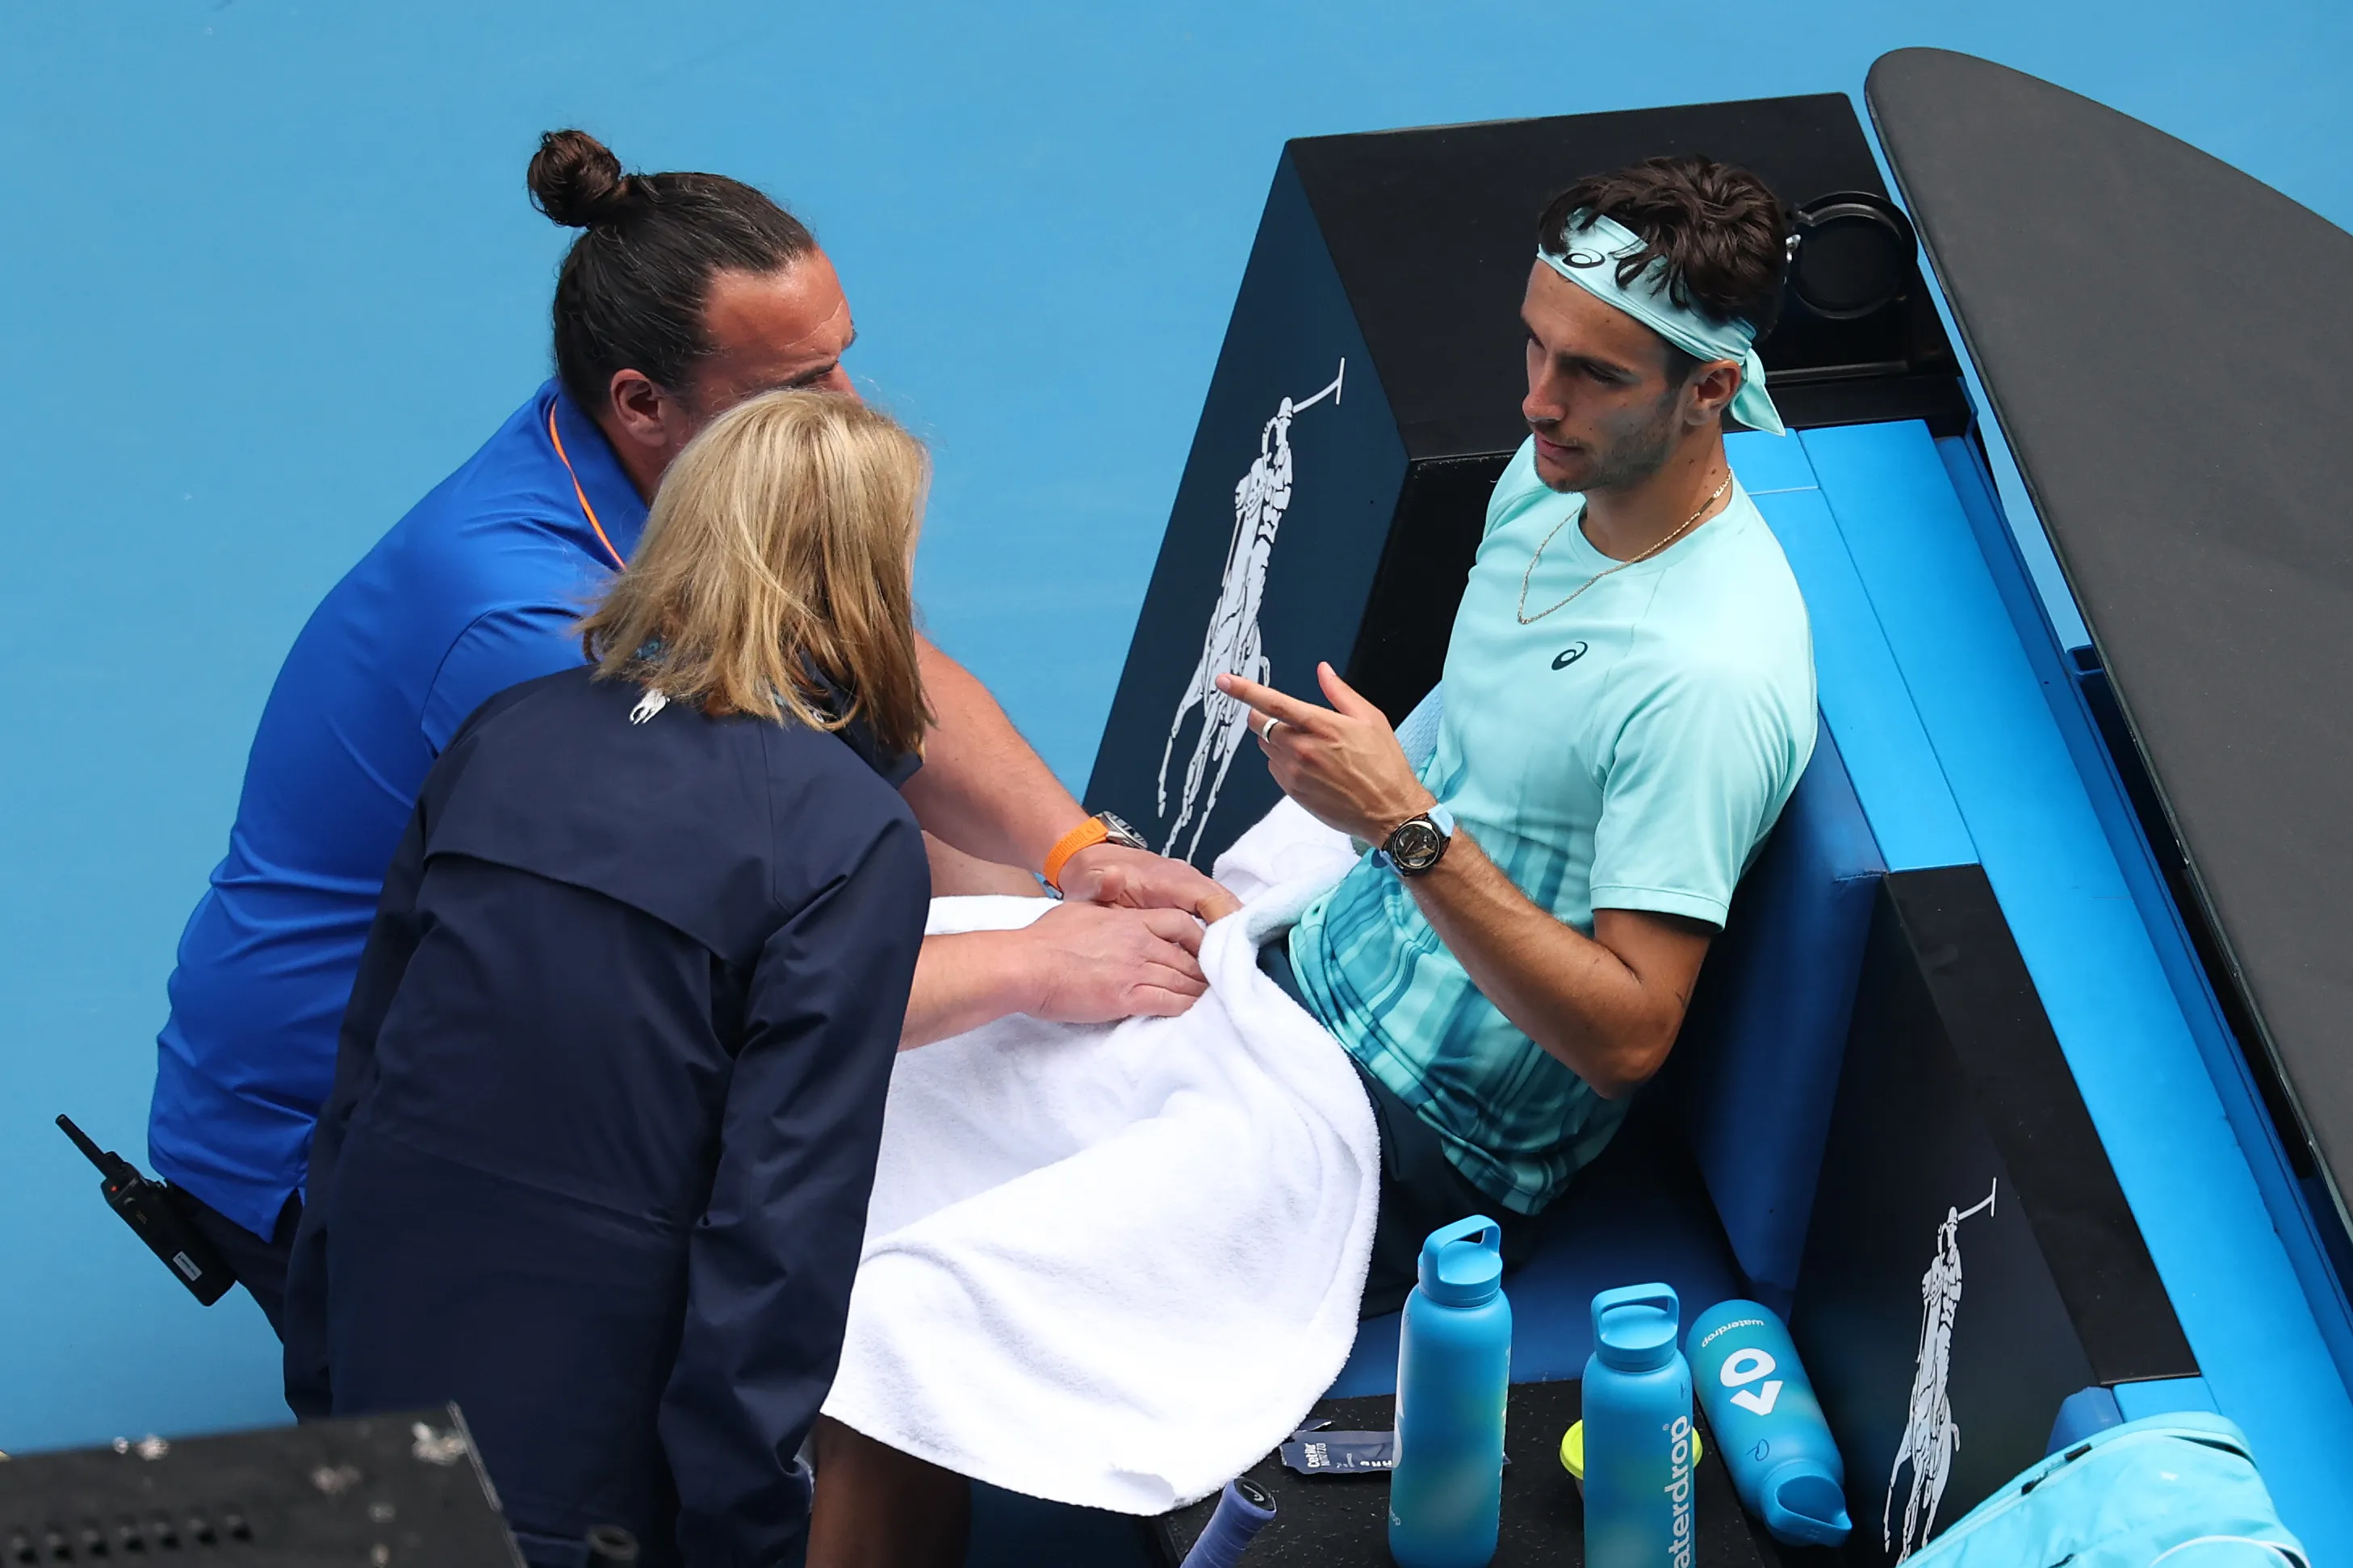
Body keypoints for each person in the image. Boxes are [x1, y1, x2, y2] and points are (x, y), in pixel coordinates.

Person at [808, 153, 1818, 1566]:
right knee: (846, 1091)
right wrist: (1319, 831)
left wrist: (1403, 826)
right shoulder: (1553, 485)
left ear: (1709, 389)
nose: (1537, 401)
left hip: (1407, 1139)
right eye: (1533, 345)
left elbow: (1628, 1035)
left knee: (901, 1326)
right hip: (1284, 966)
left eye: (1592, 374)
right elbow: (1483, 738)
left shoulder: (1706, 683)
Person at [149, 129, 1233, 1334]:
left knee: (937, 864)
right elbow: (694, 991)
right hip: (342, 1130)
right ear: (641, 402)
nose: (846, 409)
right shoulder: (527, 635)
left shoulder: (684, 460)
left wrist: (1079, 854)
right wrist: (1028, 965)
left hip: (552, 978)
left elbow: (882, 672)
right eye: (797, 387)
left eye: (842, 362)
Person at [283, 390, 936, 1566]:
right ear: (865, 576)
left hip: (388, 1378)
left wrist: (328, 1383)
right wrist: (744, 1533)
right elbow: (777, 1235)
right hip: (598, 1464)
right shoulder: (848, 835)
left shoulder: (503, 733)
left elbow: (362, 1088)